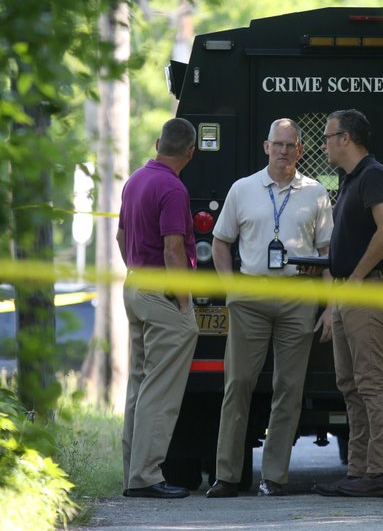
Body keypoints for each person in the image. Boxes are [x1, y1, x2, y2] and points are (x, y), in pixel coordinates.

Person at [205, 118, 333, 498]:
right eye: (277, 144)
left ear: (300, 150)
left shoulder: (316, 193)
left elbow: (327, 254)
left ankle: (274, 477)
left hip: (298, 298)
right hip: (251, 299)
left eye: (290, 145)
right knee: (238, 384)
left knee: (288, 388)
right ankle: (227, 475)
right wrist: (230, 289)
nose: (283, 151)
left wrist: (329, 308)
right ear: (265, 147)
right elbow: (220, 242)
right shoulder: (243, 189)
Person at [313, 109, 383, 498]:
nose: (324, 143)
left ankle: (381, 473)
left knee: (370, 383)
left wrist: (358, 278)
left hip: (368, 292)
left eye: (328, 136)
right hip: (348, 295)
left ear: (346, 138)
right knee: (349, 385)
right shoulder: (349, 181)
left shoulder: (373, 175)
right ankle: (358, 471)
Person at [117, 118, 200, 499]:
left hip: (134, 284)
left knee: (139, 384)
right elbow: (172, 248)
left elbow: (121, 236)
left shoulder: (135, 180)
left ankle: (133, 473)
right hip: (162, 295)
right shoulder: (173, 187)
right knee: (160, 390)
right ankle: (147, 476)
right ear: (190, 152)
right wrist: (183, 300)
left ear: (156, 143)